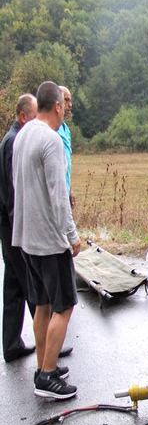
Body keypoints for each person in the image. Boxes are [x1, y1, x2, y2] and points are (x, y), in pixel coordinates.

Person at [12, 81, 81, 399]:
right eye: (65, 105)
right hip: (49, 240)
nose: (67, 108)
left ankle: (44, 363)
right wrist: (72, 236)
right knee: (63, 306)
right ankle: (48, 377)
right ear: (56, 106)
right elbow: (58, 196)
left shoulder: (23, 133)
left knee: (41, 304)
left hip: (25, 238)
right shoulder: (51, 140)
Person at [0, 94, 37, 362]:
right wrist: (21, 231)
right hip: (14, 226)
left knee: (13, 288)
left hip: (6, 224)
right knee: (33, 286)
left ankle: (12, 344)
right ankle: (50, 343)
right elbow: (14, 190)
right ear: (23, 116)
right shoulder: (15, 142)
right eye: (34, 118)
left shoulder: (10, 138)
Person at [57, 86, 75, 208]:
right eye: (66, 100)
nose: (70, 105)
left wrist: (70, 189)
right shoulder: (51, 129)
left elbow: (67, 163)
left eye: (70, 100)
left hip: (65, 190)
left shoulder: (65, 129)